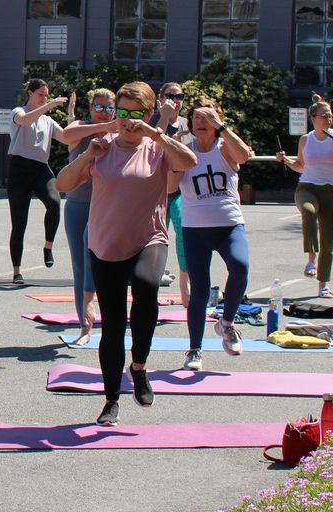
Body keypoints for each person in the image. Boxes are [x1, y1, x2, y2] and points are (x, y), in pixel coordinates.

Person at [57, 81, 197, 427]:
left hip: (149, 238)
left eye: (136, 114)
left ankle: (138, 366)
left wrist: (157, 133)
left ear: (148, 114)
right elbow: (62, 184)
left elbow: (188, 161)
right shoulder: (102, 150)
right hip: (106, 245)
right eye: (122, 113)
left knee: (148, 286)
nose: (127, 121)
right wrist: (89, 153)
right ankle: (110, 400)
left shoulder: (156, 148)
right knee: (114, 325)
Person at [170, 98, 254, 372]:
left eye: (207, 118)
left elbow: (243, 157)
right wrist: (175, 155)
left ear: (217, 121)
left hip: (228, 225)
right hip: (195, 230)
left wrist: (224, 128)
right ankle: (194, 349)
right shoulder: (186, 150)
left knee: (240, 267)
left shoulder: (225, 147)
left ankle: (226, 323)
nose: (201, 123)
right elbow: (171, 186)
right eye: (196, 118)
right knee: (200, 291)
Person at [276, 95, 333, 298]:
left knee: (328, 241)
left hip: (332, 190)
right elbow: (300, 165)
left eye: (330, 116)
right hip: (307, 187)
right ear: (313, 118)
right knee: (308, 211)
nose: (328, 119)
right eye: (323, 116)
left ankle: (323, 284)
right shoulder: (306, 139)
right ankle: (311, 258)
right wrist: (286, 160)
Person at [58, 89, 118, 346]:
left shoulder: (117, 135)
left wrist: (113, 128)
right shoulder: (80, 127)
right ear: (90, 108)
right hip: (77, 205)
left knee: (102, 263)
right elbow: (65, 135)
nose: (104, 112)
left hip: (106, 208)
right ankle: (85, 327)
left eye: (109, 109)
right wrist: (97, 127)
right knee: (80, 266)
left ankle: (106, 320)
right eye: (99, 107)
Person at [7, 79, 70, 282]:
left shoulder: (48, 122)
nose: (44, 98)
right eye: (40, 94)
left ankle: (48, 247)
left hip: (41, 169)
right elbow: (24, 120)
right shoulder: (18, 111)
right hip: (19, 169)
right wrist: (50, 106)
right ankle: (17, 271)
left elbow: (68, 138)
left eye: (46, 95)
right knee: (19, 223)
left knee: (54, 203)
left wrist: (72, 118)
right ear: (30, 93)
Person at [153, 81, 193, 306]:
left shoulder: (187, 125)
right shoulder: (154, 122)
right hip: (155, 194)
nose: (176, 101)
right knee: (156, 240)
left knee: (184, 234)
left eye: (180, 96)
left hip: (178, 192)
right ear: (161, 99)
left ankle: (184, 284)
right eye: (171, 96)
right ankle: (153, 282)